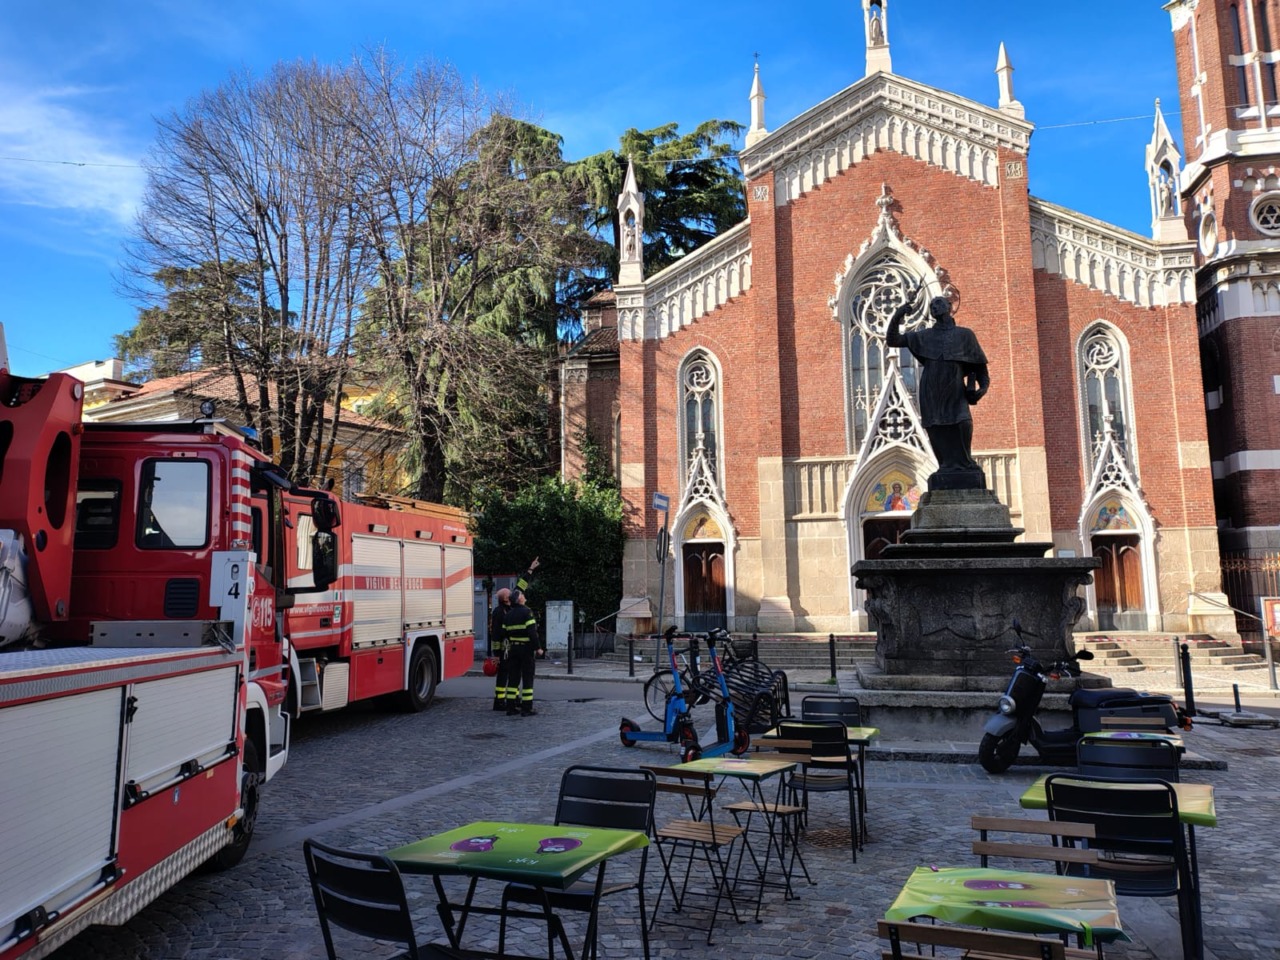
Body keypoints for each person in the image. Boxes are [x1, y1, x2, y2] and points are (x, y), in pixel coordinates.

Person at [886, 283, 990, 483]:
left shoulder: (965, 335)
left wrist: (981, 389)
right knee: (935, 427)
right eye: (932, 305)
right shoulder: (924, 336)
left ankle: (965, 464)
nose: (935, 307)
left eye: (939, 303)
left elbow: (981, 370)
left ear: (949, 307)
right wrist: (899, 314)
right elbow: (893, 340)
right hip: (931, 391)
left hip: (955, 390)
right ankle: (945, 467)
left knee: (963, 423)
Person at [489, 558, 539, 712]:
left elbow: (520, 586)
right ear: (506, 599)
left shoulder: (510, 609)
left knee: (513, 675)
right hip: (504, 649)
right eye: (510, 594)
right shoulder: (499, 612)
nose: (514, 594)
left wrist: (530, 569)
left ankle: (513, 700)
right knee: (504, 674)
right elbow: (495, 634)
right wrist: (496, 654)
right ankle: (499, 701)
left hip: (510, 648)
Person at [502, 588, 543, 716]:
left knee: (513, 679)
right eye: (522, 595)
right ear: (519, 599)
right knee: (527, 678)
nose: (524, 596)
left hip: (513, 649)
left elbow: (504, 633)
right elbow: (532, 633)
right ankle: (526, 708)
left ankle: (510, 708)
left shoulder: (508, 615)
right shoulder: (527, 612)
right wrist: (538, 648)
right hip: (526, 650)